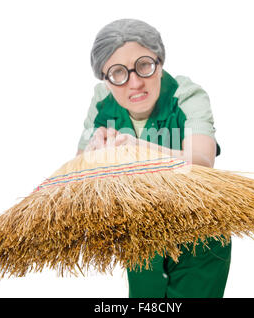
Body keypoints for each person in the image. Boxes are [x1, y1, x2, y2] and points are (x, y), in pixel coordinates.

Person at [76, 19, 231, 298]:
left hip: (198, 233)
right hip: (141, 235)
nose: (135, 83)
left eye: (145, 66)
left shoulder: (186, 95)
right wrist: (91, 155)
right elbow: (78, 169)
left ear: (160, 63)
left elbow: (203, 161)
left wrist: (140, 149)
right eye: (118, 73)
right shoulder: (101, 99)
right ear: (104, 77)